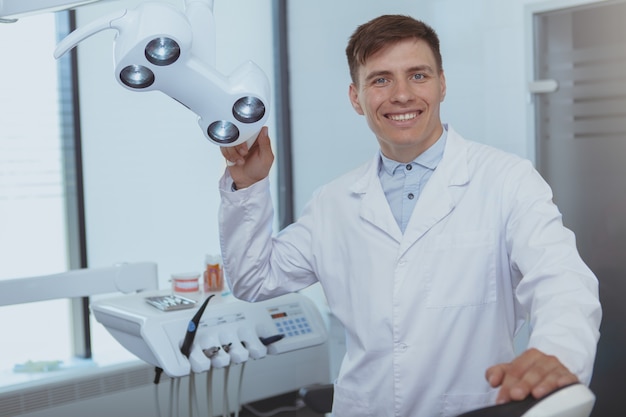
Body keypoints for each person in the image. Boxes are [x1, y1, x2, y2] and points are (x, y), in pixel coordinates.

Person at [218, 14, 601, 417]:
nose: (402, 95)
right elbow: (253, 279)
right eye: (381, 79)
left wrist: (555, 352)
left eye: (418, 76)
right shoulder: (333, 202)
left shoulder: (506, 180)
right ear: (355, 97)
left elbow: (562, 282)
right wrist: (248, 184)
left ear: (442, 84)